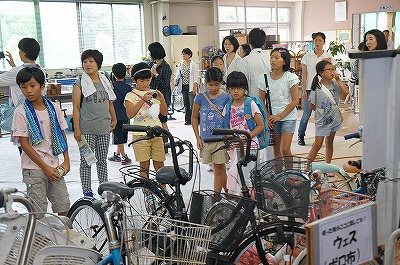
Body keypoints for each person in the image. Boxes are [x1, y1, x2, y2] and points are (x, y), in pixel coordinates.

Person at [13, 67, 70, 219]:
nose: (28, 91)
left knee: (63, 204)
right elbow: (24, 145)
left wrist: (67, 160)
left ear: (42, 86)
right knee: (38, 211)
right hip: (33, 169)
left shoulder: (53, 107)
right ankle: (40, 242)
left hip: (55, 166)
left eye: (32, 85)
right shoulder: (21, 112)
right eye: (23, 87)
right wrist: (44, 167)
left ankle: (62, 237)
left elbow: (62, 133)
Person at [72, 49, 117, 198]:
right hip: (86, 130)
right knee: (87, 161)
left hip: (104, 128)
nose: (87, 64)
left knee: (102, 161)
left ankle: (104, 188)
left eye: (91, 61)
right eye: (85, 61)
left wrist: (114, 118)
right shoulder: (79, 84)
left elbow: (109, 102)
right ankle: (87, 191)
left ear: (98, 63)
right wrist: (77, 129)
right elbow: (76, 108)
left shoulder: (105, 80)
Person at [125, 62, 168, 178]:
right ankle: (147, 193)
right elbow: (130, 114)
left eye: (148, 80)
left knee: (160, 164)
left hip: (157, 133)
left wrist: (162, 100)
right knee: (144, 165)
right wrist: (142, 100)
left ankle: (162, 191)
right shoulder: (130, 95)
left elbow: (164, 113)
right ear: (134, 79)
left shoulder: (154, 93)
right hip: (140, 135)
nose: (145, 84)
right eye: (142, 81)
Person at [223, 71, 264, 190]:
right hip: (236, 148)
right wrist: (229, 140)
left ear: (245, 88)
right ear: (228, 89)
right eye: (233, 88)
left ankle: (251, 204)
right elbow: (227, 128)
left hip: (250, 147)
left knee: (248, 180)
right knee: (241, 179)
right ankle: (247, 203)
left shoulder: (250, 103)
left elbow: (260, 125)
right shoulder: (228, 106)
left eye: (240, 88)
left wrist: (248, 136)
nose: (236, 91)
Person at [191, 67, 230, 192]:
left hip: (221, 139)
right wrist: (197, 137)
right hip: (206, 139)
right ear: (205, 82)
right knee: (218, 168)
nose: (213, 88)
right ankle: (228, 191)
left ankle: (216, 196)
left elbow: (230, 117)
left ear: (221, 82)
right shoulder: (200, 97)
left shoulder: (226, 98)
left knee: (219, 168)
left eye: (217, 84)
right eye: (210, 85)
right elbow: (194, 117)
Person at [306, 61, 349, 167]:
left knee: (329, 143)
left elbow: (346, 92)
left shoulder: (335, 83)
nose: (332, 71)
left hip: (334, 118)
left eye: (332, 69)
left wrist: (338, 79)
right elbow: (312, 105)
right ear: (321, 72)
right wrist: (322, 111)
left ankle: (328, 165)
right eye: (329, 69)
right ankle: (307, 166)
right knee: (317, 144)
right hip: (322, 120)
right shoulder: (316, 87)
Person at [259, 48, 299, 159]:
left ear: (284, 61)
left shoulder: (290, 77)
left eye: (277, 58)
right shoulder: (264, 78)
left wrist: (280, 116)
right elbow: (261, 100)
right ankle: (279, 176)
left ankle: (291, 174)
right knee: (276, 152)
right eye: (271, 57)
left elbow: (295, 100)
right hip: (272, 118)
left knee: (285, 149)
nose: (273, 60)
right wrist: (267, 117)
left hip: (288, 117)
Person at [297, 32, 331, 146]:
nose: (317, 42)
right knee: (306, 115)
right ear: (313, 41)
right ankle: (300, 135)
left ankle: (320, 138)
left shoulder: (327, 56)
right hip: (309, 89)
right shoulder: (307, 56)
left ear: (324, 42)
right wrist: (303, 90)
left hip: (323, 89)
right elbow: (304, 74)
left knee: (322, 114)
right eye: (315, 40)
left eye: (320, 40)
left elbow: (330, 73)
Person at [148, 42, 172, 152]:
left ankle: (165, 145)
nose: (149, 54)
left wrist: (156, 74)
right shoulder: (150, 65)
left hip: (162, 98)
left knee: (163, 121)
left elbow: (165, 84)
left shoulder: (166, 67)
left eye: (150, 52)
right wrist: (151, 75)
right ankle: (155, 143)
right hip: (151, 98)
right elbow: (147, 81)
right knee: (153, 120)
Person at [108, 63, 132, 165]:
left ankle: (124, 156)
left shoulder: (111, 86)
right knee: (121, 136)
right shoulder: (128, 87)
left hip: (115, 116)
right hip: (126, 116)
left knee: (118, 137)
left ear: (113, 74)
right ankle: (117, 155)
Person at [241, 28, 270, 97]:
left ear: (249, 41)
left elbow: (244, 83)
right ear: (264, 41)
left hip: (253, 99)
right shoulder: (270, 57)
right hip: (271, 98)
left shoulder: (246, 60)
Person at [174, 48, 198, 125]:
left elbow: (195, 77)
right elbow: (178, 74)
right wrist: (175, 81)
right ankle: (187, 120)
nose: (183, 55)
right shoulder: (181, 64)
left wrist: (195, 87)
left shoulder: (193, 65)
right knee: (186, 104)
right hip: (183, 86)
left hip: (190, 86)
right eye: (183, 54)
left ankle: (194, 119)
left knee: (192, 104)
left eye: (185, 54)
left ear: (189, 55)